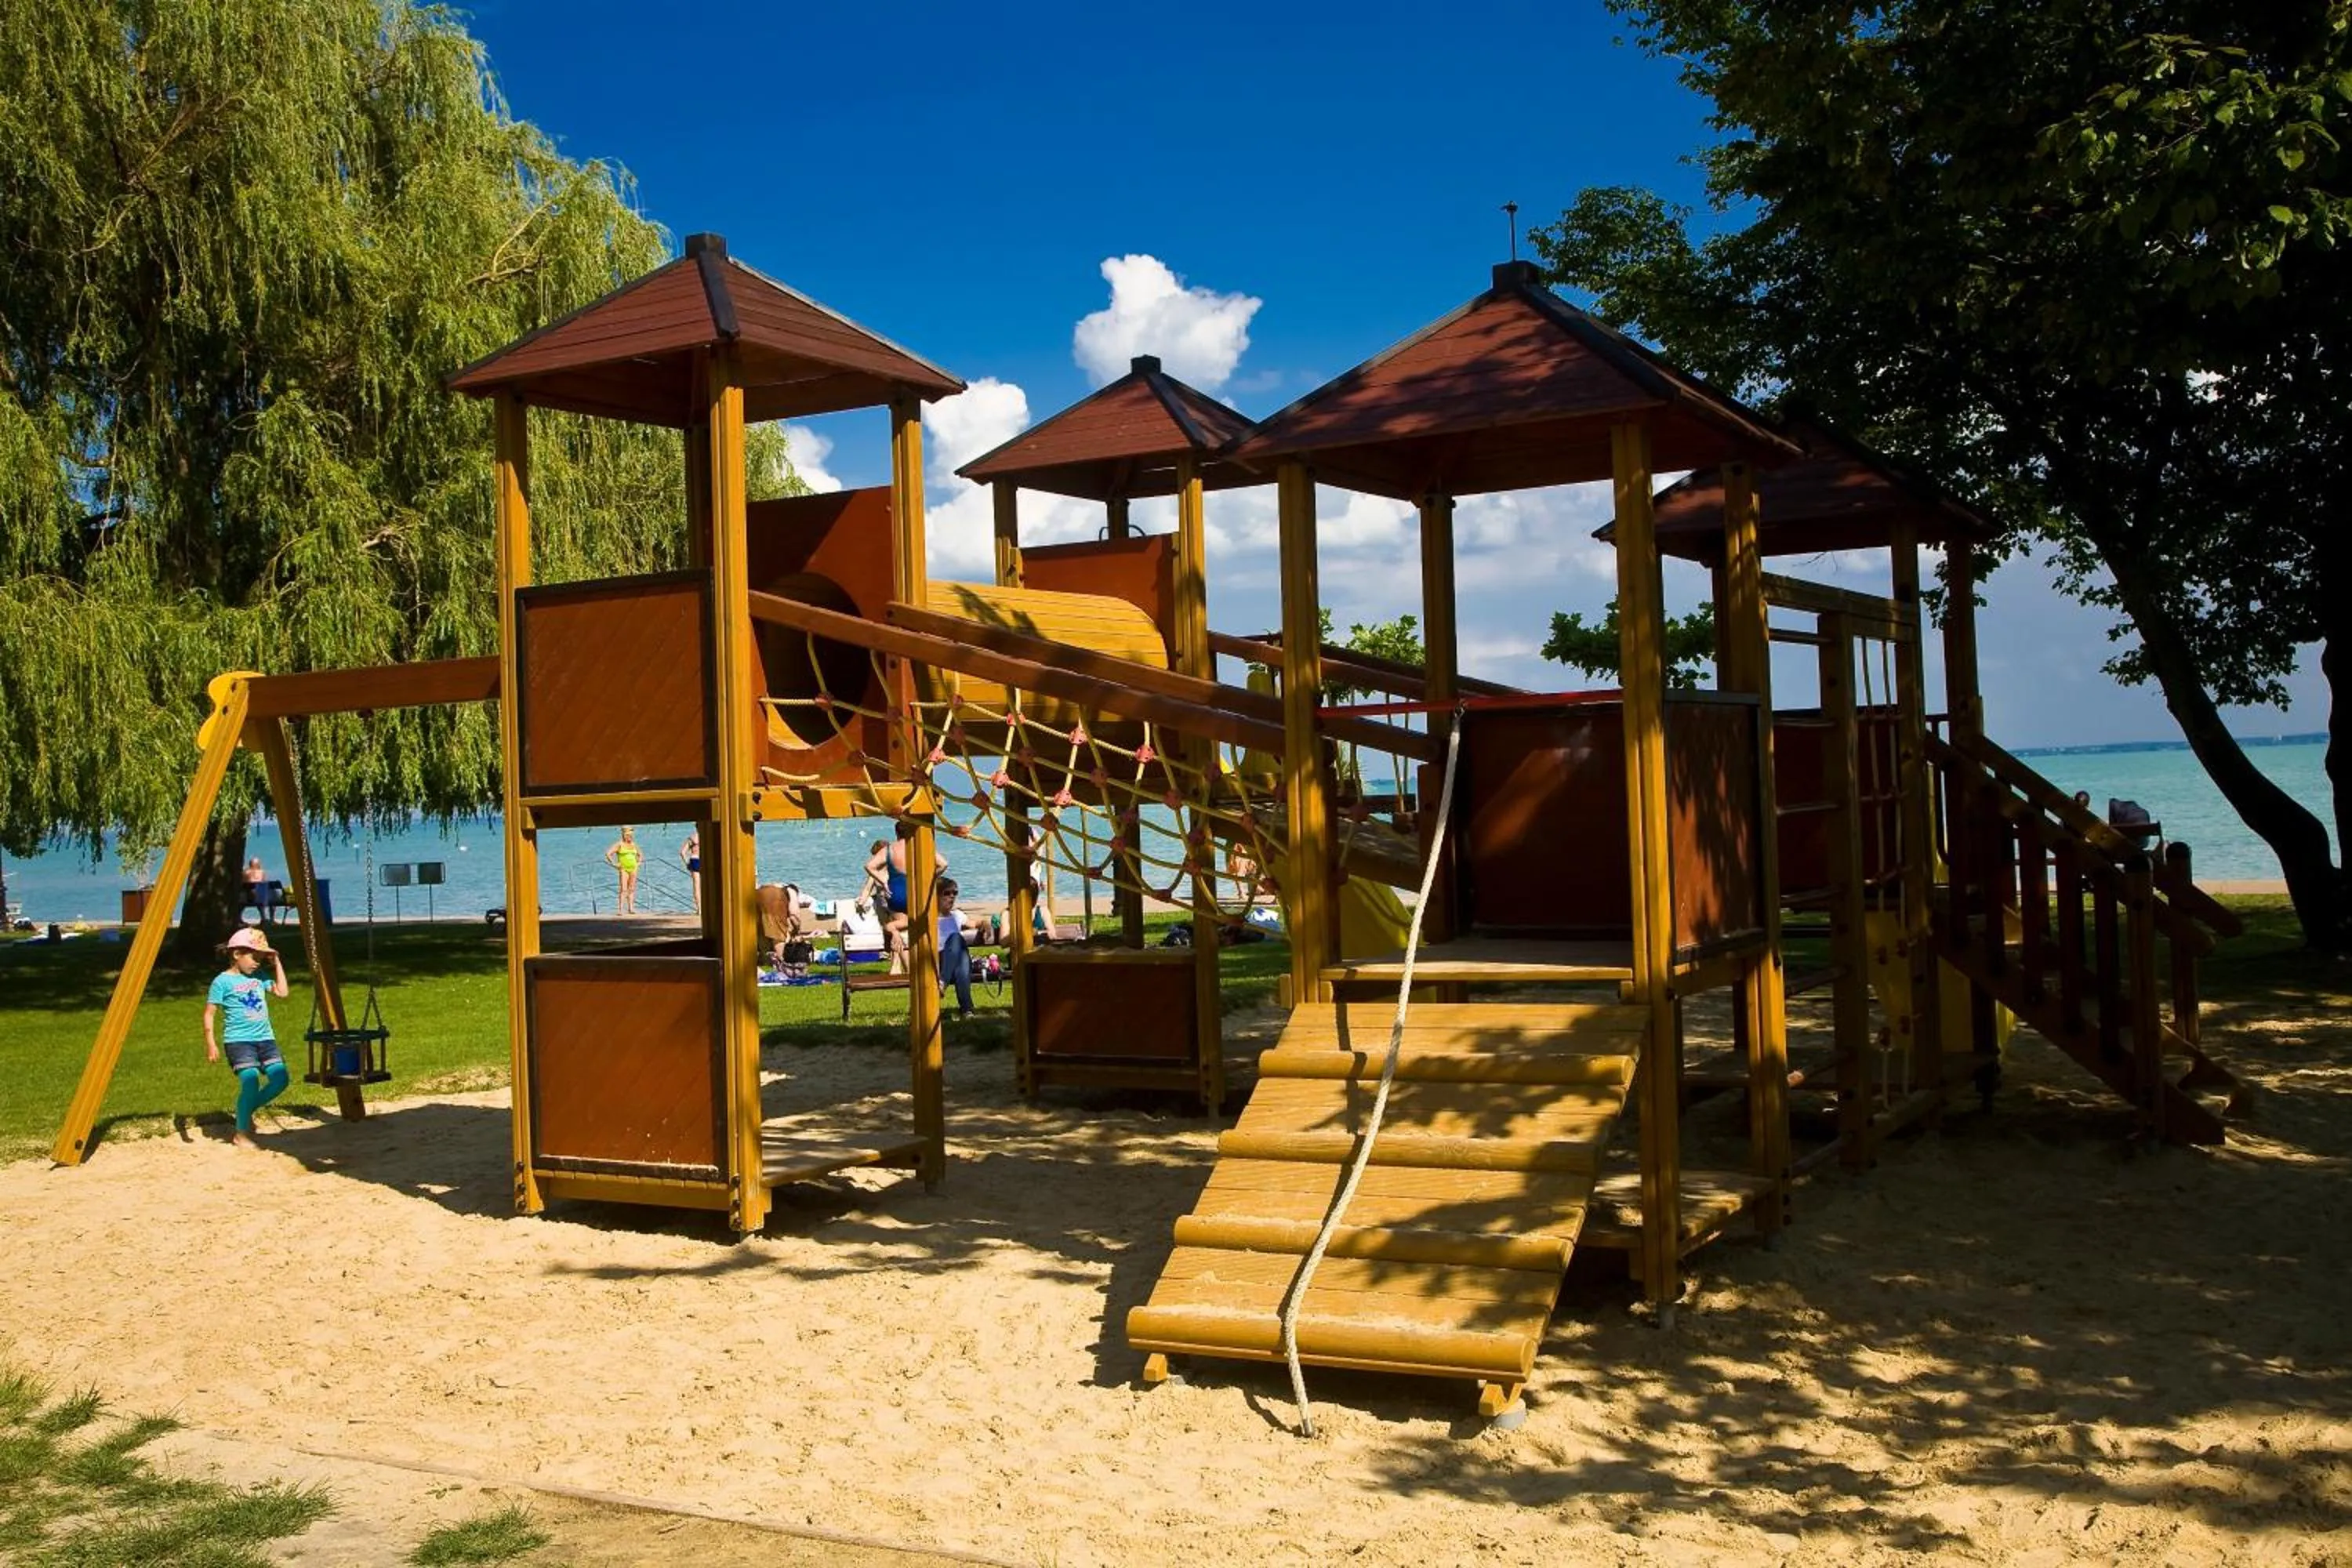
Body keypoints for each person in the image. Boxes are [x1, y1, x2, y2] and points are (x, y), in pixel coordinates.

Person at [204, 927, 290, 1149]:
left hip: (265, 1039)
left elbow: (282, 992)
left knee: (281, 1079)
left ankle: (245, 1110)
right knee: (250, 1082)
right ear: (236, 955)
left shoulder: (260, 976)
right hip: (239, 1041)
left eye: (261, 958)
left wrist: (277, 963)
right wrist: (211, 1043)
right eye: (254, 957)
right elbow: (209, 1013)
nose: (257, 962)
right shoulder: (222, 982)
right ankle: (241, 1133)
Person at [865, 821, 946, 971]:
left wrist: (882, 880)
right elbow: (943, 864)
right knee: (923, 927)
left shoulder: (889, 849)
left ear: (896, 833)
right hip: (918, 893)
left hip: (897, 894)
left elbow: (869, 866)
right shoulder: (920, 845)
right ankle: (928, 967)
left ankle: (908, 968)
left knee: (900, 927)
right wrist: (930, 878)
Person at [935, 879, 977, 1019]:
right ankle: (967, 1009)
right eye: (947, 893)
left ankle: (943, 984)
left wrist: (985, 924)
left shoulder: (957, 915)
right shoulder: (930, 918)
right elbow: (894, 925)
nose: (952, 896)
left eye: (955, 893)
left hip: (956, 962)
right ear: (937, 896)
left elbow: (974, 923)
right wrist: (894, 932)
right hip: (940, 961)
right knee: (957, 939)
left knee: (962, 956)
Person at [604, 826, 642, 916]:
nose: (629, 837)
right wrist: (614, 864)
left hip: (633, 868)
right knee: (623, 889)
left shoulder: (634, 845)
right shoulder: (619, 844)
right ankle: (620, 909)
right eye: (627, 835)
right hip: (623, 868)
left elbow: (640, 855)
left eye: (631, 835)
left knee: (632, 888)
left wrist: (638, 863)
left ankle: (631, 908)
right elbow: (608, 854)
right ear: (624, 835)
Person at [242, 856, 274, 924]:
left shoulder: (245, 872)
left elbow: (243, 884)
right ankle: (270, 919)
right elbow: (265, 883)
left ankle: (239, 918)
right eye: (259, 864)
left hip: (248, 898)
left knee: (258, 894)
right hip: (259, 897)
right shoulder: (262, 872)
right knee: (268, 896)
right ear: (257, 865)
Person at [680, 832, 702, 914]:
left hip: (694, 860)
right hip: (704, 858)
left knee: (696, 886)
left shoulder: (692, 838)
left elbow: (682, 852)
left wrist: (687, 864)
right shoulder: (706, 836)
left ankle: (699, 909)